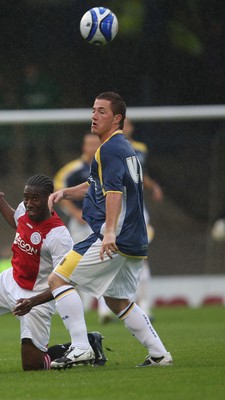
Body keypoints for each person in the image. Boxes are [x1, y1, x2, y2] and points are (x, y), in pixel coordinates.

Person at [16, 92, 173, 369]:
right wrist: (66, 192)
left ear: (117, 119)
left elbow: (113, 192)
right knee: (117, 300)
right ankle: (159, 354)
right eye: (93, 110)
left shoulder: (110, 149)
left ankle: (80, 347)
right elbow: (96, 185)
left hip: (115, 238)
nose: (94, 115)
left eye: (102, 111)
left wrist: (109, 232)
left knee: (58, 280)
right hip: (134, 241)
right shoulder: (122, 148)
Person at [0, 175, 106, 374]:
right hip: (9, 280)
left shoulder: (59, 236)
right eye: (26, 197)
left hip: (37, 296)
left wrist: (32, 302)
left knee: (32, 366)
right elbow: (18, 221)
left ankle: (89, 343)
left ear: (49, 198)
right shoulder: (25, 209)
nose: (29, 203)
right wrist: (0, 203)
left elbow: (66, 283)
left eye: (35, 198)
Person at [97, 118, 164, 323]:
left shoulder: (140, 149)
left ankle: (144, 305)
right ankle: (105, 309)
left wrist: (152, 186)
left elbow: (140, 174)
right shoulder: (106, 149)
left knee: (140, 259)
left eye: (129, 124)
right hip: (112, 210)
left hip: (136, 212)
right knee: (106, 257)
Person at [54, 132, 101, 311]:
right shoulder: (73, 169)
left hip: (103, 223)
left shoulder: (108, 166)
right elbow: (59, 190)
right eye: (90, 144)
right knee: (73, 263)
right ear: (84, 147)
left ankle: (105, 310)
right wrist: (75, 212)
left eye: (97, 143)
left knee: (104, 262)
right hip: (81, 224)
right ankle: (76, 304)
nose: (94, 147)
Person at [19, 63, 62, 175]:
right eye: (27, 70)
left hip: (47, 126)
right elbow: (20, 102)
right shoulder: (24, 86)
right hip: (32, 126)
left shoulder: (47, 83)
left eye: (31, 69)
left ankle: (58, 172)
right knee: (31, 150)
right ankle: (28, 174)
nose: (29, 72)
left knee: (50, 149)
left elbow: (57, 98)